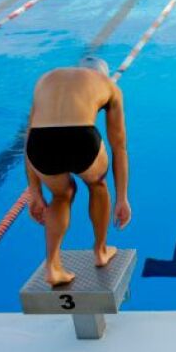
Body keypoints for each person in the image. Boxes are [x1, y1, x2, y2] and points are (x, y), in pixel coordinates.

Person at [25, 56, 131, 286]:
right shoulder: (109, 85)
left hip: (40, 144)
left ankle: (53, 267)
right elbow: (119, 146)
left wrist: (35, 193)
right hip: (80, 139)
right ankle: (101, 251)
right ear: (102, 73)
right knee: (97, 184)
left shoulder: (47, 78)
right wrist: (122, 198)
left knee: (62, 194)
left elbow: (30, 138)